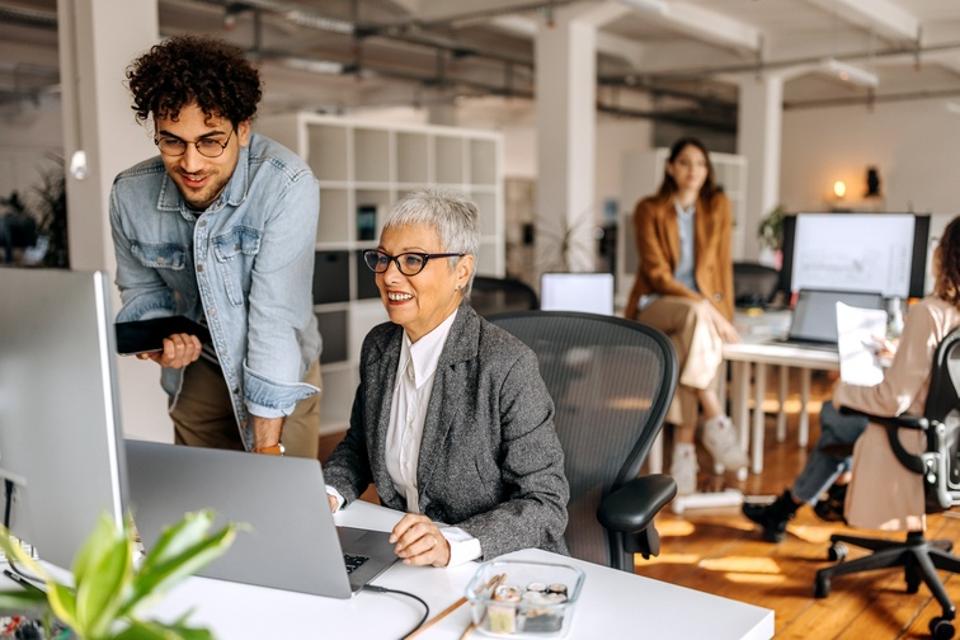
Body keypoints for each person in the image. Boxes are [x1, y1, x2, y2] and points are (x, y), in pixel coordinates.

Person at [323, 188, 570, 568]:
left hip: (495, 567)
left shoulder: (507, 365)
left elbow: (544, 502)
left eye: (412, 260)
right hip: (405, 559)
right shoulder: (379, 347)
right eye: (384, 259)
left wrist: (454, 543)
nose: (389, 276)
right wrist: (329, 492)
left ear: (462, 271)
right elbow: (358, 447)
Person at [110, 36, 322, 457]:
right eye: (173, 141)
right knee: (200, 507)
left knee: (279, 505)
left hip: (279, 370)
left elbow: (275, 320)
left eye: (210, 141)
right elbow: (141, 290)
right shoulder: (129, 194)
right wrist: (161, 335)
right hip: (198, 367)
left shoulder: (285, 185)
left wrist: (266, 449)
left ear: (243, 129)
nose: (191, 164)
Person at [744, 216, 960, 540]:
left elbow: (892, 400)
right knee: (839, 425)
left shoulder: (929, 312)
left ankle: (803, 500)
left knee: (833, 413)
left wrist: (842, 390)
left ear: (944, 255)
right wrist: (901, 350)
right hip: (950, 441)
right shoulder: (950, 313)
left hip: (913, 439)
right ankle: (808, 498)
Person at [624, 137, 746, 494]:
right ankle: (716, 416)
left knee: (680, 349)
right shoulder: (649, 208)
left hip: (698, 318)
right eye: (686, 163)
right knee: (694, 316)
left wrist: (725, 314)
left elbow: (722, 266)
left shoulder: (717, 206)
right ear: (670, 168)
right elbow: (657, 273)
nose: (694, 170)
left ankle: (685, 450)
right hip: (656, 304)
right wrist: (708, 310)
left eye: (701, 164)